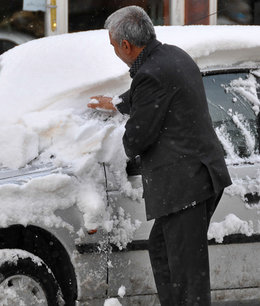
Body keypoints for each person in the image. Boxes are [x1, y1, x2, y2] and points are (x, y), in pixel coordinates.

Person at [88, 6, 232, 306]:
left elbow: (137, 139)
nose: (114, 50)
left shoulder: (152, 73)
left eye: (113, 45)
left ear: (126, 45)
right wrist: (118, 103)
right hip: (199, 174)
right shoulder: (172, 56)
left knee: (187, 272)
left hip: (185, 183)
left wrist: (115, 142)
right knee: (164, 251)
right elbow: (155, 95)